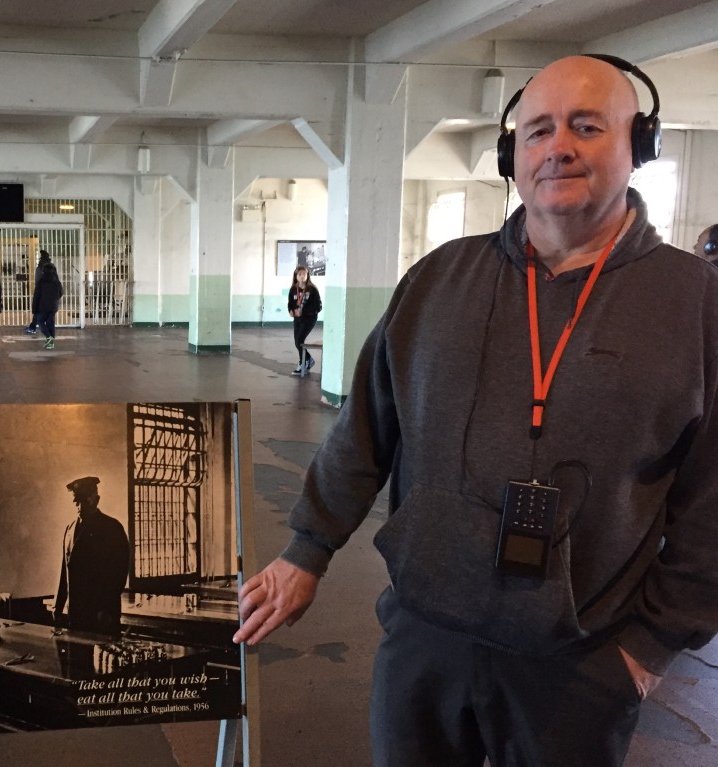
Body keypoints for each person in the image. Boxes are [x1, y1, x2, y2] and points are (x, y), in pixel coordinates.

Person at [234, 55, 718, 767]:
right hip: (424, 642)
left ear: (639, 146)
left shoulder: (694, 303)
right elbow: (363, 430)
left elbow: (713, 498)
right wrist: (307, 551)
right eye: (538, 130)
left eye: (587, 127)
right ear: (510, 154)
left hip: (579, 664)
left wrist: (647, 649)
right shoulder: (438, 281)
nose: (559, 147)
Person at [53, 476, 130, 637]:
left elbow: (118, 574)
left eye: (84, 501)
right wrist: (58, 606)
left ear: (96, 500)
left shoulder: (111, 528)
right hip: (76, 612)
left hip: (101, 614)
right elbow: (65, 571)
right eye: (76, 501)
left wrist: (106, 609)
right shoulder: (70, 529)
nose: (79, 506)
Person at [287, 265, 321, 374]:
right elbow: (290, 304)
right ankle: (307, 361)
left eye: (304, 274)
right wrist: (291, 311)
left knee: (299, 341)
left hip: (309, 319)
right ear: (296, 276)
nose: (302, 276)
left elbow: (318, 307)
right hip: (297, 319)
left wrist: (304, 312)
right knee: (298, 342)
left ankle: (304, 363)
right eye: (300, 274)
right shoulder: (293, 289)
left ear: (307, 276)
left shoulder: (312, 290)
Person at [32, 261, 63, 349]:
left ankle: (48, 337)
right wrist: (54, 299)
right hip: (53, 306)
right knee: (51, 323)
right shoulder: (56, 282)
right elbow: (61, 292)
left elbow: (36, 296)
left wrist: (34, 308)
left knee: (40, 321)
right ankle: (51, 342)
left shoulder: (41, 282)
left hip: (42, 306)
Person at [25, 249, 54, 334]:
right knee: (49, 314)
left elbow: (38, 281)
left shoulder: (40, 267)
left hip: (42, 293)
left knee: (38, 311)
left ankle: (33, 327)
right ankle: (49, 334)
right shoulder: (52, 267)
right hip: (51, 295)